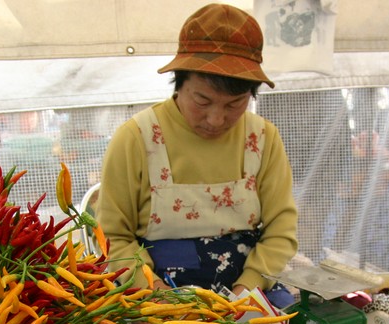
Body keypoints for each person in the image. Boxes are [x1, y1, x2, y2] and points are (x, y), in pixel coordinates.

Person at [97, 3, 298, 307]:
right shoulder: (136, 138)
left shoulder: (263, 139)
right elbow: (113, 237)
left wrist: (245, 292)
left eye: (234, 104)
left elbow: (281, 230)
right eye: (202, 101)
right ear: (179, 83)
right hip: (155, 294)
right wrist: (156, 294)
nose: (216, 119)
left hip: (246, 293)